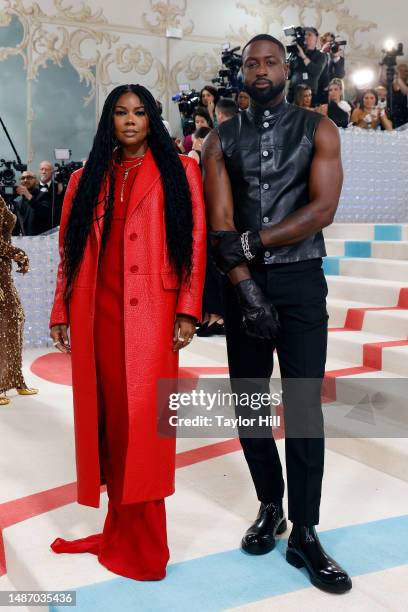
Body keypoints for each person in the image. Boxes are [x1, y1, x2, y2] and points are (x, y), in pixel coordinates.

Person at [202, 33, 352, 594]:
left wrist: (252, 245)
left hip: (301, 282)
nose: (260, 70)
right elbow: (221, 228)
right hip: (242, 287)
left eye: (270, 61)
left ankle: (306, 532)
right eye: (251, 63)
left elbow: (323, 209)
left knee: (304, 405)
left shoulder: (320, 129)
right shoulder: (217, 141)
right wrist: (246, 285)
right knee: (248, 401)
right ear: (241, 73)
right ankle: (271, 505)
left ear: (286, 69)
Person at [49, 84, 206, 580]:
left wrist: (187, 309)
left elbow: (195, 243)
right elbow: (69, 253)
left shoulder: (181, 171)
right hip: (99, 313)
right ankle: (118, 532)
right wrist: (61, 311)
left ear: (152, 119)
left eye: (139, 113)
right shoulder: (85, 178)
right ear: (109, 121)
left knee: (146, 429)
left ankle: (144, 546)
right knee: (112, 424)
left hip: (153, 317)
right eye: (121, 113)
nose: (130, 120)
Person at [0, 195, 38, 406]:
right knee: (4, 326)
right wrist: (19, 254)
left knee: (14, 321)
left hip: (3, 272)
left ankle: (16, 380)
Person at [288, 27, 328, 106]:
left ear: (316, 38)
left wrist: (303, 56)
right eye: (305, 35)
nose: (306, 37)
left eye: (309, 35)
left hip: (310, 95)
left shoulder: (320, 55)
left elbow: (316, 72)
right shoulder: (295, 54)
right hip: (293, 93)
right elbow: (289, 75)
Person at [38, 161, 64, 230]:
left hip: (53, 226)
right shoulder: (33, 187)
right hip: (36, 227)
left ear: (52, 172)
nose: (43, 172)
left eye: (46, 169)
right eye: (42, 169)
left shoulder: (58, 188)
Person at [13, 171, 40, 235]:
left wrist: (27, 194)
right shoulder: (18, 203)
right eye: (23, 178)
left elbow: (44, 212)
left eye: (29, 177)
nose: (25, 180)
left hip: (39, 240)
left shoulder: (44, 195)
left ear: (36, 181)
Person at [392, 63, 408, 127]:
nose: (403, 72)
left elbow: (405, 91)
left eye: (406, 71)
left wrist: (398, 78)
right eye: (401, 70)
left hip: (405, 115)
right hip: (394, 116)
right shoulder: (392, 83)